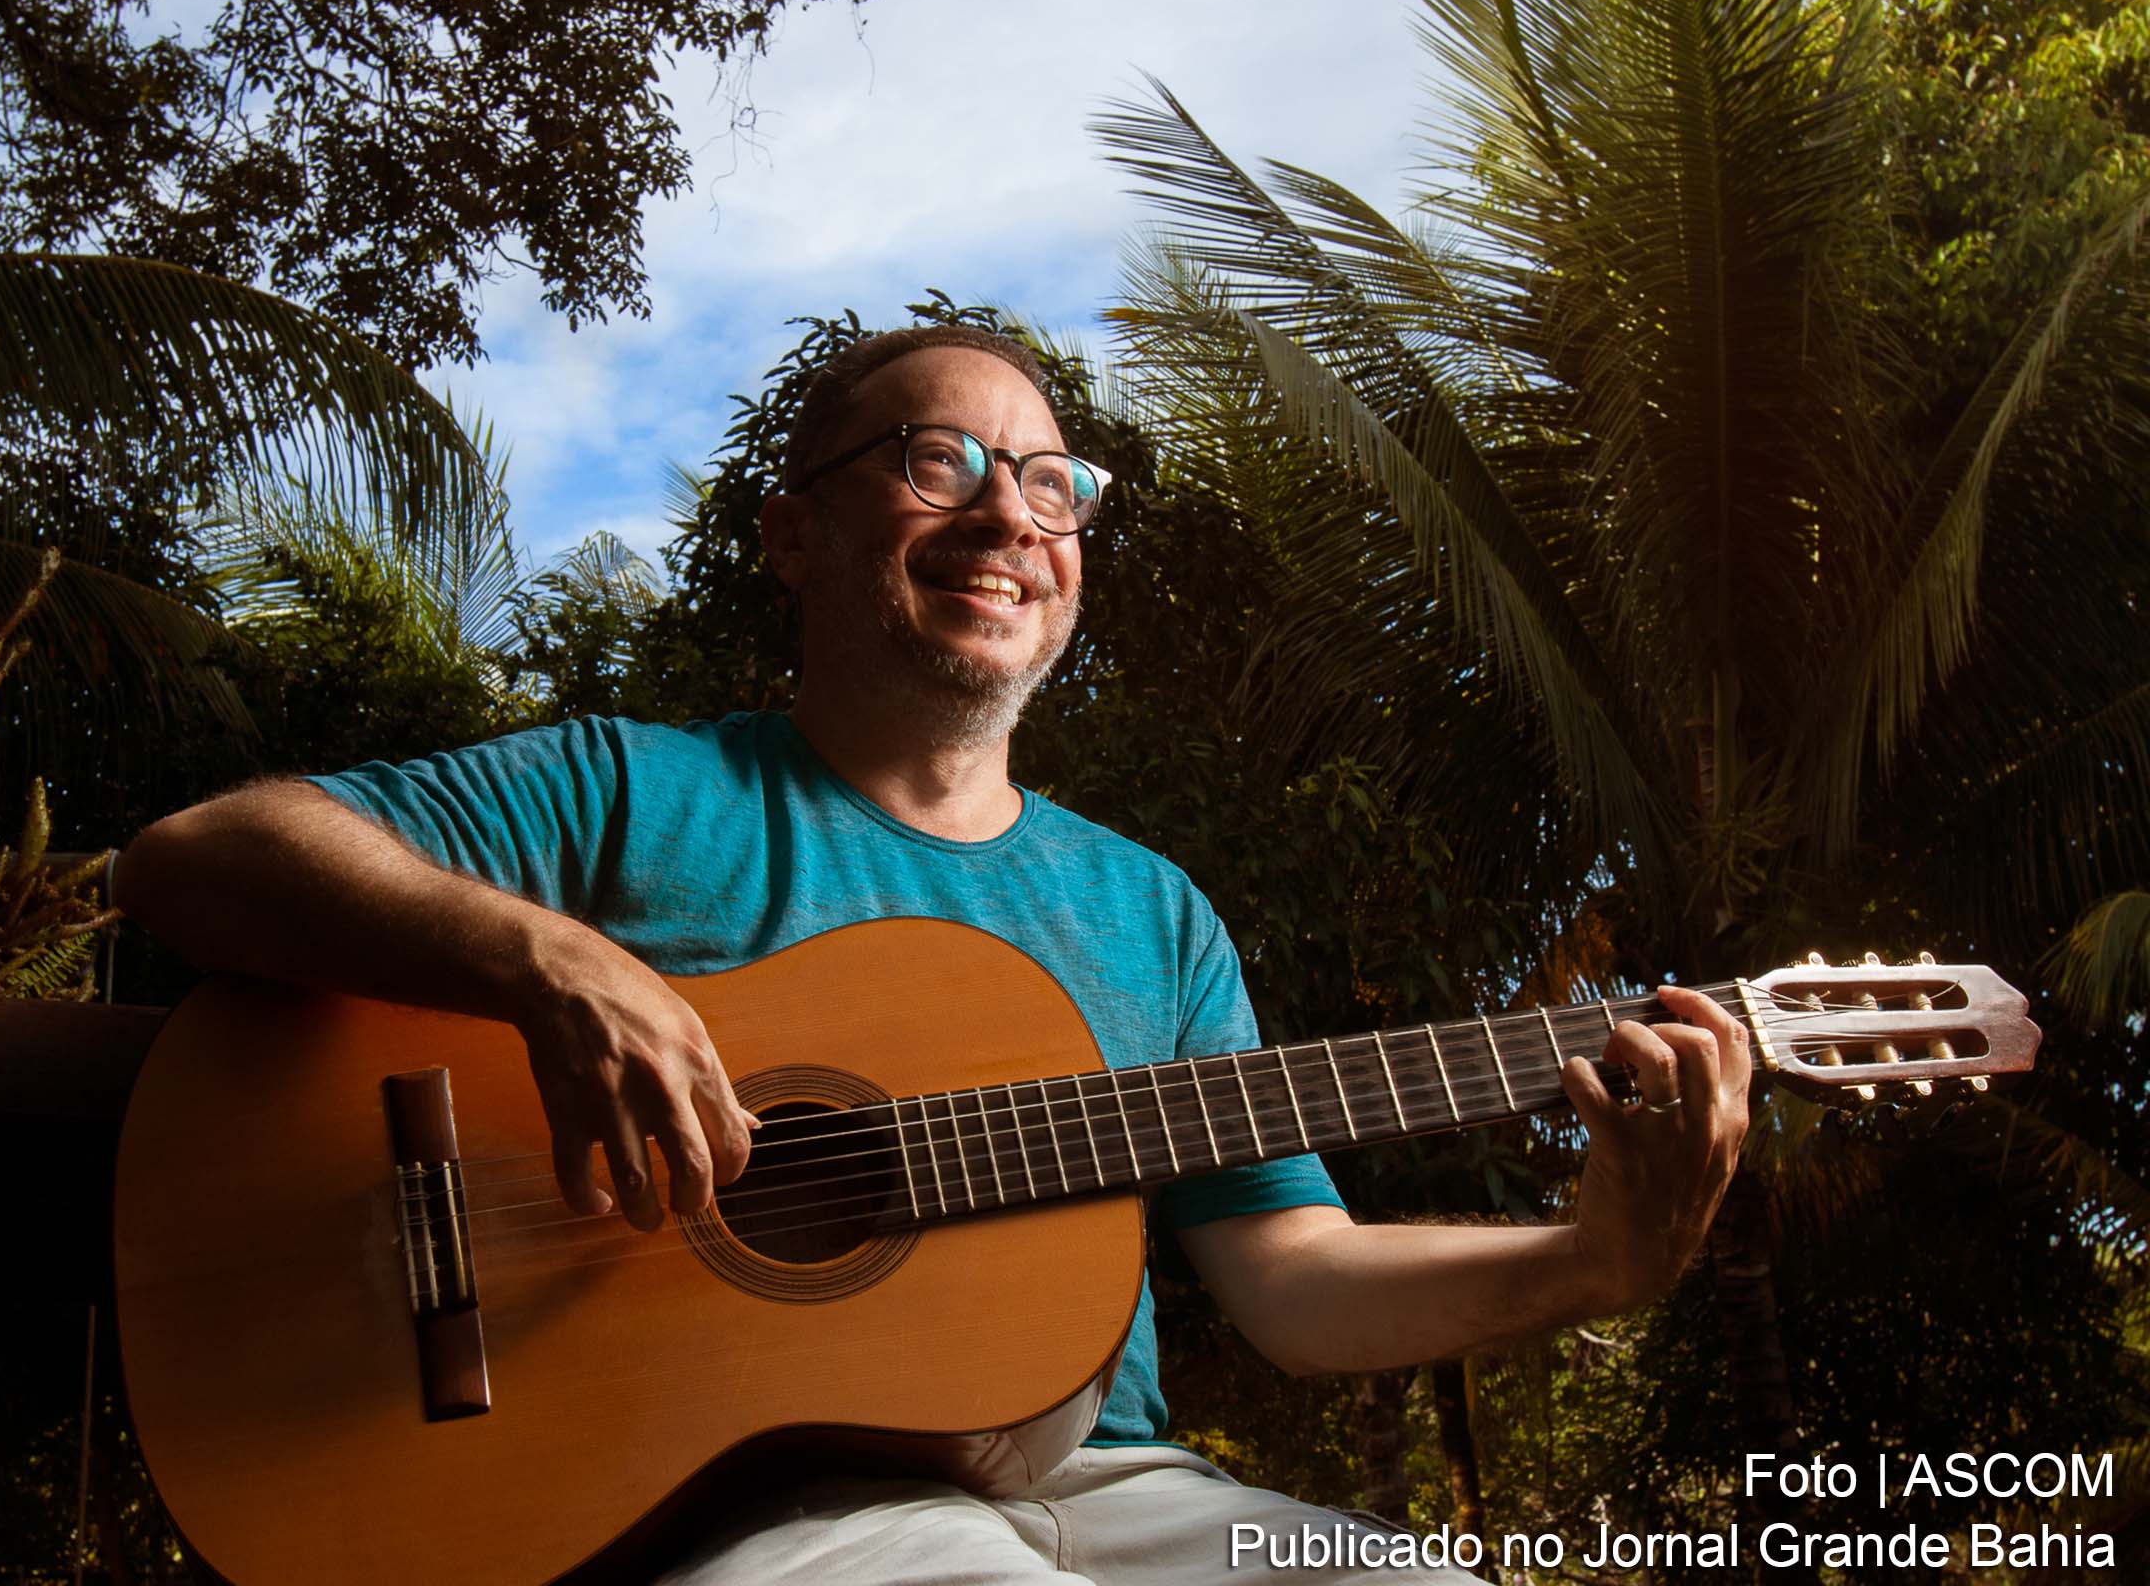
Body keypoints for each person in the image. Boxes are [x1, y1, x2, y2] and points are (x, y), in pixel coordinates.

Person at [114, 325, 1753, 1583]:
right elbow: (197, 861)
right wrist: (543, 964)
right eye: (938, 461)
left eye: (1052, 482)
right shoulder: (631, 790)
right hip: (750, 1512)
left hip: (1107, 1490)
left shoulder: (1153, 911)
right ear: (793, 533)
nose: (1009, 515)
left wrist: (1591, 1265)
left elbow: (1294, 1283)